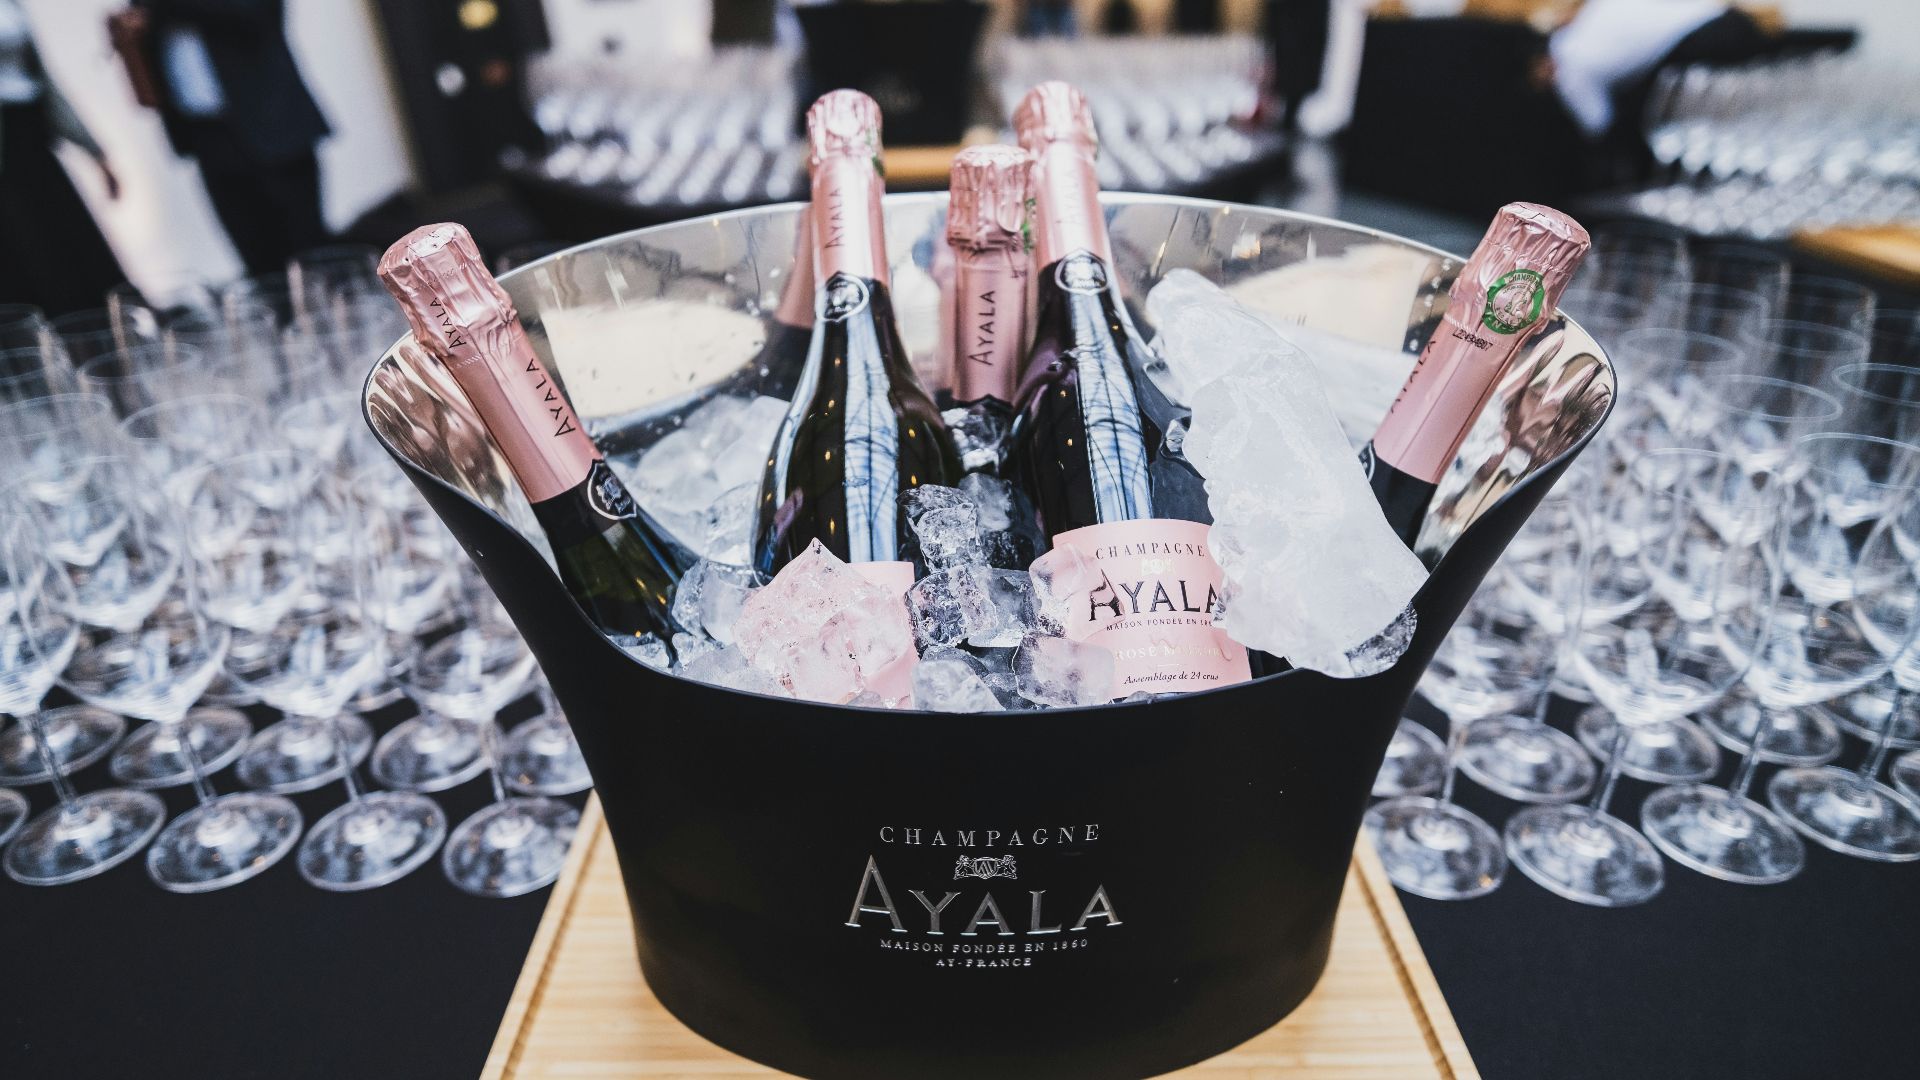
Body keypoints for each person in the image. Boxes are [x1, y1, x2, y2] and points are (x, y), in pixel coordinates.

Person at [137, 0, 331, 274]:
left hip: (272, 123)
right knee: (257, 262)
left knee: (310, 257)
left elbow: (254, 13)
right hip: (204, 134)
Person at [0, 0, 126, 314]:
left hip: (32, 137)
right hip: (6, 156)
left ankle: (105, 328)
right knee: (27, 252)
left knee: (72, 244)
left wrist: (94, 150)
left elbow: (46, 81)